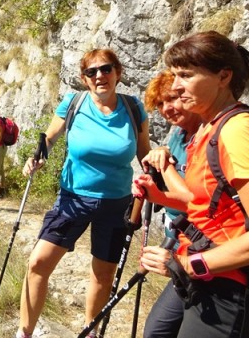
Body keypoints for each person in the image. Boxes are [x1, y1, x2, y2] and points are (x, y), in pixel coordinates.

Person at [135, 31, 249, 338]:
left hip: (235, 285)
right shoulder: (207, 129)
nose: (176, 86)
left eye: (186, 75)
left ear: (224, 76)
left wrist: (189, 264)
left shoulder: (239, 131)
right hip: (207, 271)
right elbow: (206, 202)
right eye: (174, 75)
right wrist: (158, 194)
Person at [16, 49, 151, 338]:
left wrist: (157, 173)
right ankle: (24, 333)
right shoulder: (73, 103)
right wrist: (38, 157)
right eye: (92, 72)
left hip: (116, 205)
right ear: (84, 79)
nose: (99, 76)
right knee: (38, 263)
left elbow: (144, 155)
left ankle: (90, 332)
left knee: (103, 274)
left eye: (105, 69)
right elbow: (49, 139)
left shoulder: (133, 108)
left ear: (118, 72)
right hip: (72, 199)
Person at [141, 71, 201, 337]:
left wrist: (164, 165)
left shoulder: (206, 136)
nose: (166, 109)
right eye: (160, 105)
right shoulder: (179, 134)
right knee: (156, 331)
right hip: (178, 244)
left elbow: (199, 203)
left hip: (203, 249)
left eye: (172, 99)